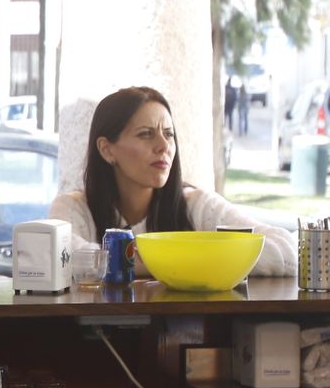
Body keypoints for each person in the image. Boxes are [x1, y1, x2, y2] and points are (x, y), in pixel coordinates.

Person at [48, 86, 295, 275]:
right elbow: (66, 257)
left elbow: (285, 252)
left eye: (169, 134)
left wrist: (156, 262)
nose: (163, 146)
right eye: (146, 134)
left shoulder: (196, 205)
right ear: (107, 150)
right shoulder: (74, 208)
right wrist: (202, 261)